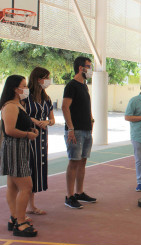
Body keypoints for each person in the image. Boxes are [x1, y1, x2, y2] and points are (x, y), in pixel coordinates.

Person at [0, 75, 39, 237]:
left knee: (13, 186)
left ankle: (14, 217)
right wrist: (28, 135)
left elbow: (20, 125)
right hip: (14, 149)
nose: (26, 89)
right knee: (26, 186)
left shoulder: (18, 105)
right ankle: (20, 222)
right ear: (15, 89)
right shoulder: (10, 107)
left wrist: (31, 130)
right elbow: (9, 130)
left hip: (19, 148)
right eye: (24, 86)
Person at [62, 56, 96, 209]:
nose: (90, 70)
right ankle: (69, 196)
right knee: (74, 162)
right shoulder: (71, 86)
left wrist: (91, 120)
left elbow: (86, 107)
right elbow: (65, 107)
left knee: (83, 161)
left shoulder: (84, 86)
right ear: (81, 68)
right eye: (89, 66)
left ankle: (79, 193)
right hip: (75, 131)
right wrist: (70, 128)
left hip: (86, 129)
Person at [22, 67, 55, 215]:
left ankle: (31, 205)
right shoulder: (26, 97)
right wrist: (35, 120)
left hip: (42, 137)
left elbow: (52, 119)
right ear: (37, 78)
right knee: (28, 168)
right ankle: (26, 205)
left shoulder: (46, 98)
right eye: (46, 77)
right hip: (29, 136)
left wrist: (46, 122)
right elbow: (21, 114)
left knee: (37, 168)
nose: (48, 81)